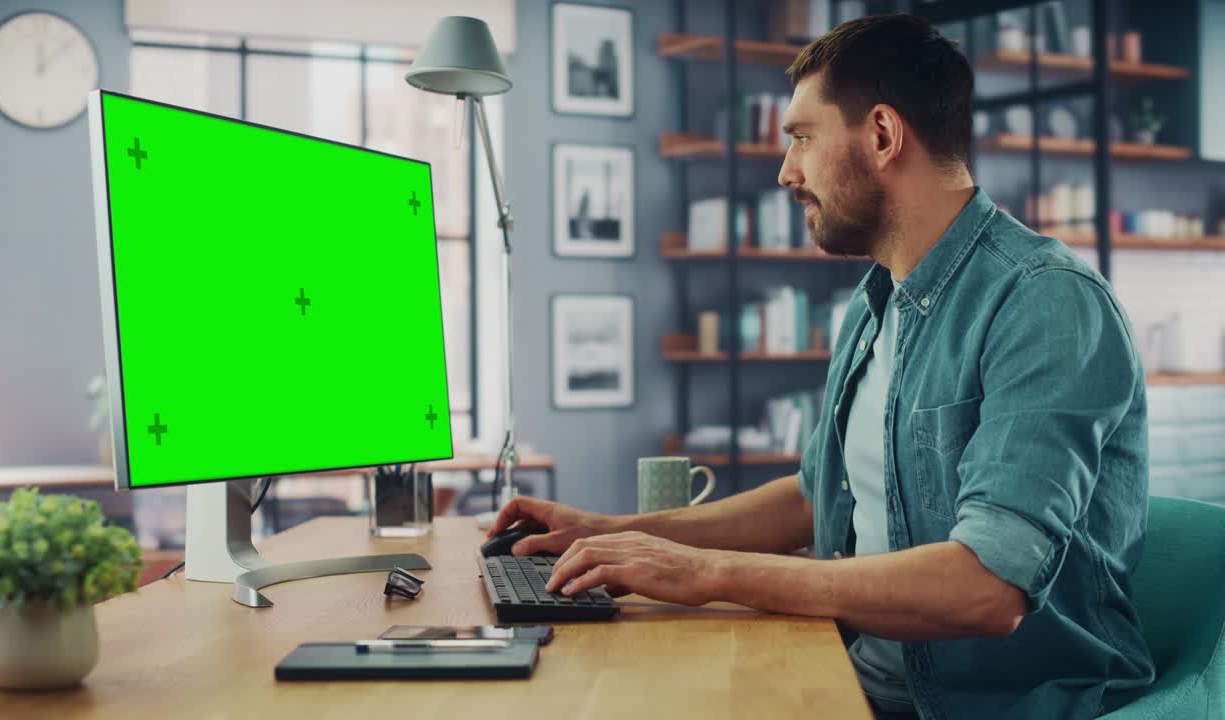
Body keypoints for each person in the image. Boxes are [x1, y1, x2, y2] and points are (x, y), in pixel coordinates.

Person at [490, 13, 1155, 720]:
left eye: (802, 137)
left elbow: (986, 588)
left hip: (991, 706)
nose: (787, 171)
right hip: (855, 673)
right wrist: (609, 532)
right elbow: (815, 497)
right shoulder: (875, 305)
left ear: (881, 134)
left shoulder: (1046, 304)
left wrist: (709, 573)